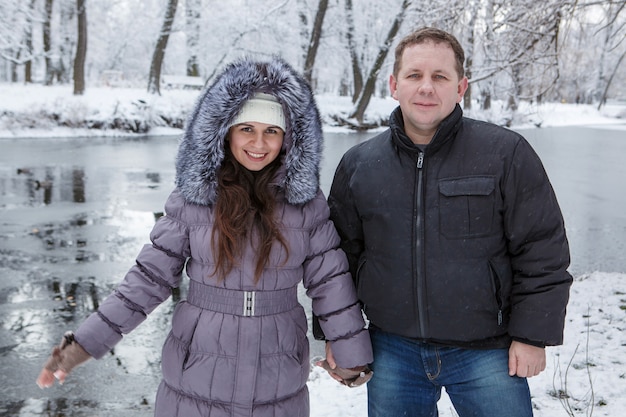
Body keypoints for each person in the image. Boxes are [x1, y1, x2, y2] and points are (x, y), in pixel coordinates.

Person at [36, 57, 373, 417]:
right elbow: (147, 281)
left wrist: (352, 355)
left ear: (288, 138)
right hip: (195, 377)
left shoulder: (305, 204)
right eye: (247, 129)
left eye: (271, 131)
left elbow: (330, 282)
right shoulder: (194, 199)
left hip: (278, 378)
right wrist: (82, 346)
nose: (259, 143)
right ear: (226, 132)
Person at [326, 27, 573, 417]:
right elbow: (336, 261)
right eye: (414, 75)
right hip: (393, 350)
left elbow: (542, 249)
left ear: (461, 88)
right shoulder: (360, 165)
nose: (426, 87)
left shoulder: (505, 153)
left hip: (486, 351)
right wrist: (339, 338)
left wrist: (532, 335)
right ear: (394, 84)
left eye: (440, 77)